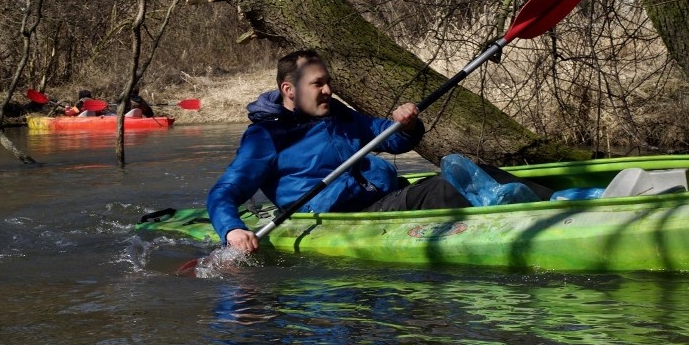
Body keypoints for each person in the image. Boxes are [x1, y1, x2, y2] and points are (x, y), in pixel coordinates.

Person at [206, 49, 553, 254]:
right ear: (289, 89)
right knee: (447, 189)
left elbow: (392, 140)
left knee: (478, 171)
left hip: (380, 199)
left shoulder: (337, 113)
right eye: (318, 84)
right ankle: (551, 218)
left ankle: (568, 201)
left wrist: (406, 123)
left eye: (328, 81)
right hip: (343, 219)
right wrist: (232, 230)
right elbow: (225, 192)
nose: (329, 90)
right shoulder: (266, 136)